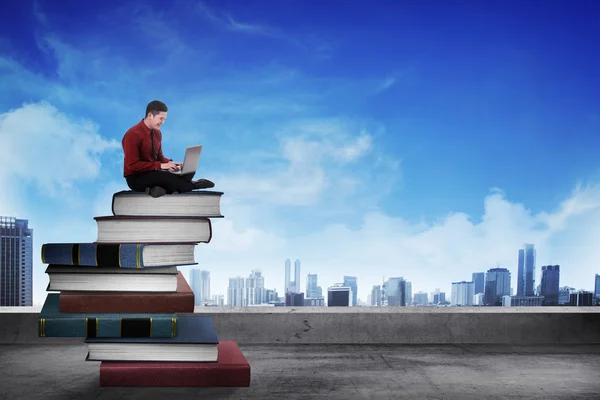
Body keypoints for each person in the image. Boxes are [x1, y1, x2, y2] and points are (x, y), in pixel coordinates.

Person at [122, 100, 215, 198]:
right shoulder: (133, 135)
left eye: (164, 119)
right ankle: (194, 185)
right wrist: (160, 166)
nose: (162, 122)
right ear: (150, 115)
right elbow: (132, 165)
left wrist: (171, 163)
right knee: (169, 179)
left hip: (153, 171)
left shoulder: (157, 133)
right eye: (161, 118)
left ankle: (161, 189)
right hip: (136, 177)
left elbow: (159, 156)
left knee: (187, 172)